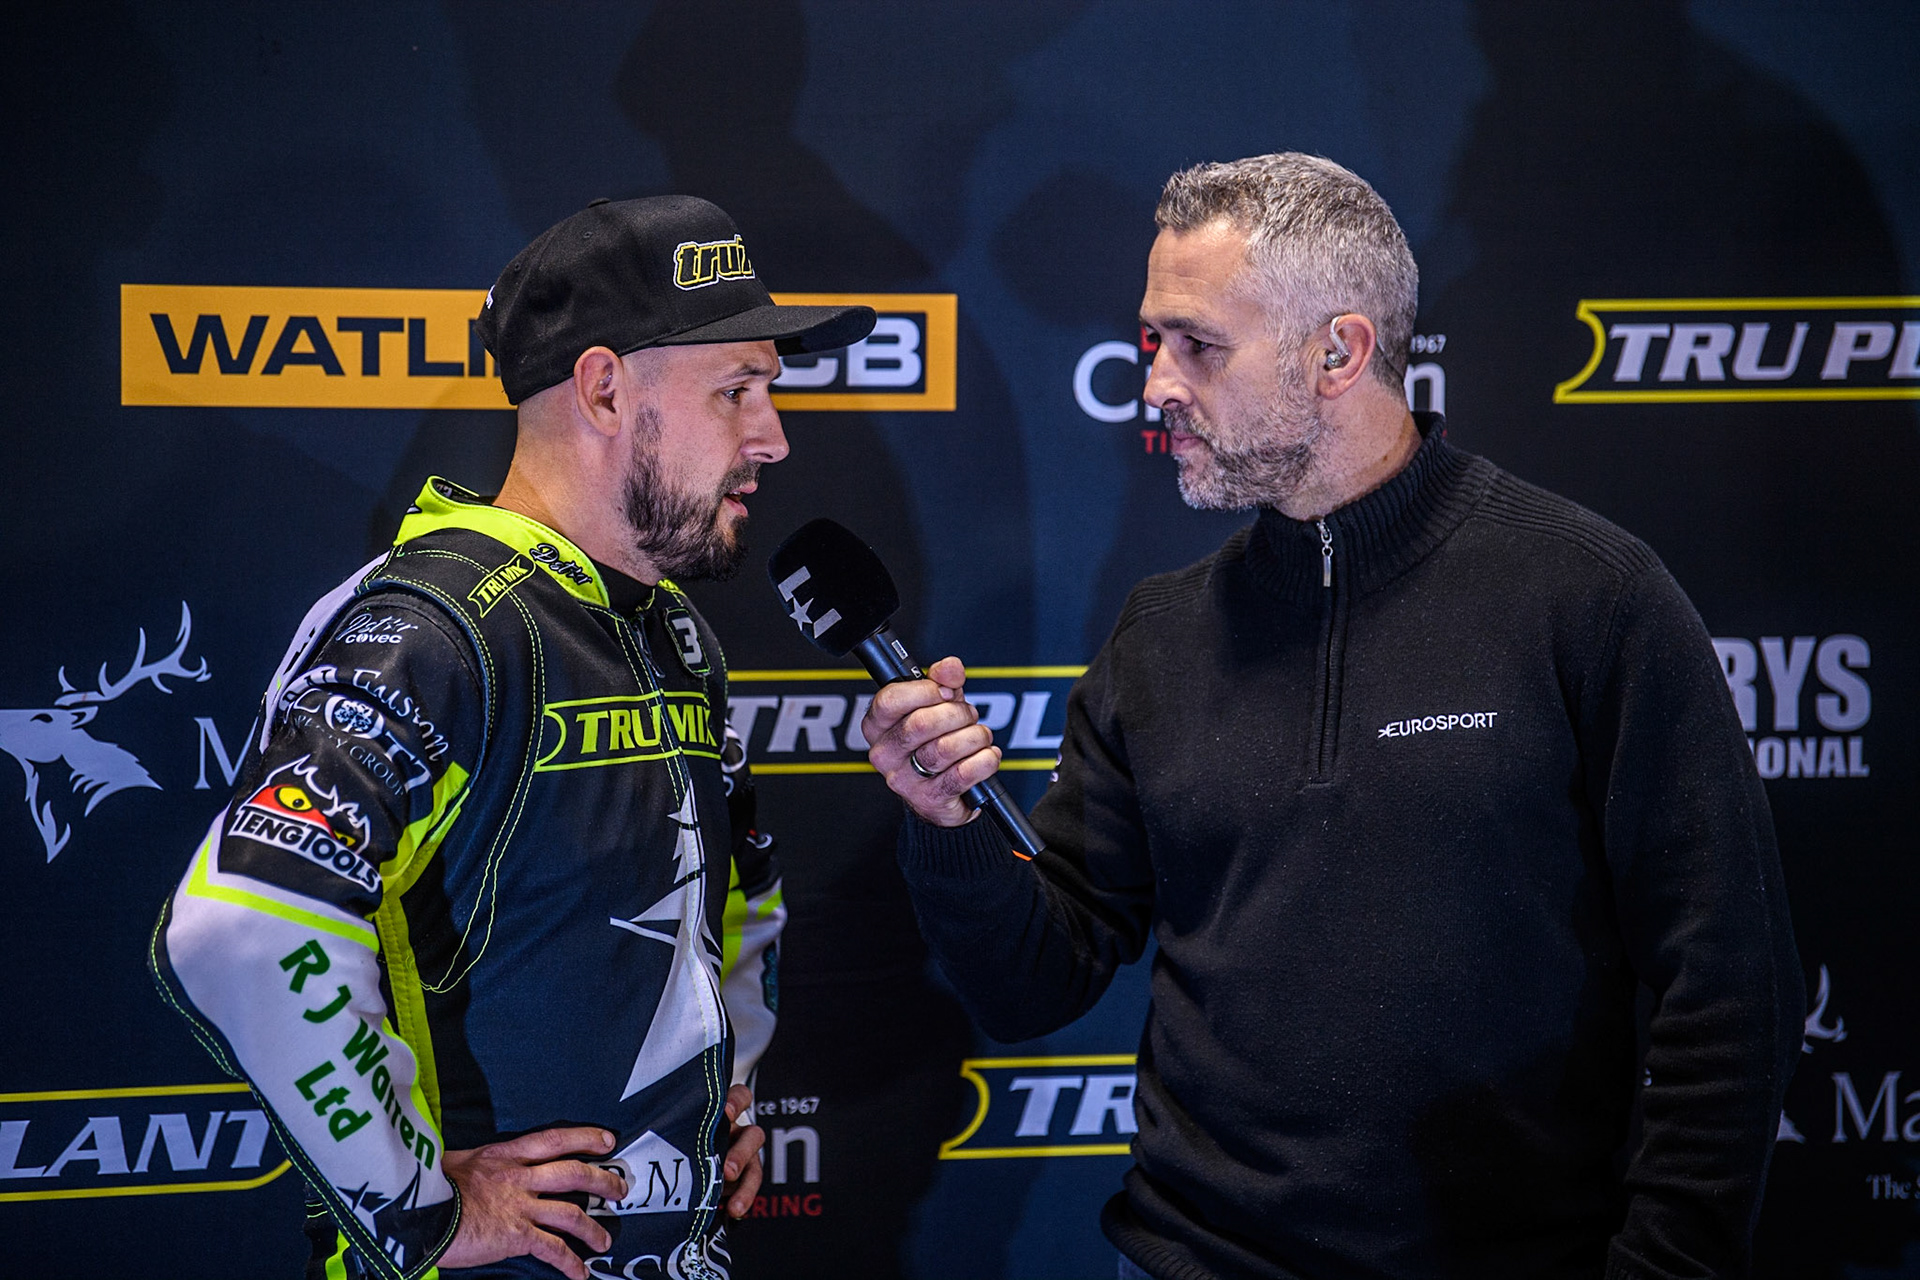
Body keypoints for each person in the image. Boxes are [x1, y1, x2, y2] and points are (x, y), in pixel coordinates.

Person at [862, 154, 1803, 1280]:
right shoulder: (1159, 634)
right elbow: (1032, 980)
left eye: (1195, 344)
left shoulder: (1590, 596)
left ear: (1339, 352)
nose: (1153, 382)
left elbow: (1730, 980)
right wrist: (948, 821)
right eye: (1151, 338)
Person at [151, 195, 874, 1280]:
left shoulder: (667, 624)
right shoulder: (438, 626)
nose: (773, 434)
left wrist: (717, 1080)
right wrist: (422, 1207)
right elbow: (243, 923)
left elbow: (734, 889)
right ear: (602, 388)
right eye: (740, 390)